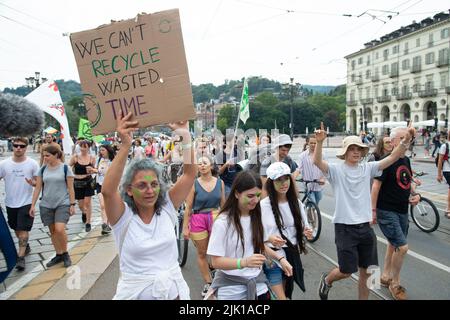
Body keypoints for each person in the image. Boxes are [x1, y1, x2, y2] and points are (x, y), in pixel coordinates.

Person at [313, 121, 415, 300]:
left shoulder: (368, 168)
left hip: (365, 228)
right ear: (345, 152)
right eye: (352, 148)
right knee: (346, 270)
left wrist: (406, 140)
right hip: (345, 228)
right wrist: (320, 142)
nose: (356, 152)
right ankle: (327, 280)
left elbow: (393, 157)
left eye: (359, 149)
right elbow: (317, 161)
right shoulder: (336, 170)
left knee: (370, 272)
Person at [101, 112, 196, 300]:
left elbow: (189, 174)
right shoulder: (122, 218)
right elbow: (107, 191)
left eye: (154, 184)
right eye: (141, 186)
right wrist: (125, 145)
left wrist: (185, 135)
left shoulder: (168, 207)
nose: (150, 191)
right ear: (129, 190)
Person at [206, 170, 292, 300]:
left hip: (258, 285)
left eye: (258, 195)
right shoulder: (223, 222)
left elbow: (259, 246)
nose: (256, 200)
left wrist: (280, 259)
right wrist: (244, 262)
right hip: (230, 291)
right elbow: (215, 261)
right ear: (236, 194)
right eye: (250, 196)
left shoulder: (256, 216)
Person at [370, 127, 421, 300]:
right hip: (387, 210)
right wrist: (373, 211)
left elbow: (407, 180)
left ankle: (385, 275)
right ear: (392, 142)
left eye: (408, 139)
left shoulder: (406, 160)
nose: (406, 141)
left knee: (393, 244)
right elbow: (375, 186)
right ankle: (395, 282)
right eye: (402, 138)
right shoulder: (385, 161)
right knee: (403, 247)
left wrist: (416, 195)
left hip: (402, 210)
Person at [261, 162, 312, 300]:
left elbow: (304, 227)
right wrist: (269, 238)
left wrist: (306, 232)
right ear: (271, 183)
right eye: (279, 180)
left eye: (286, 178)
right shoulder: (263, 206)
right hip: (271, 256)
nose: (284, 183)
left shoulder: (296, 203)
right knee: (282, 297)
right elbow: (255, 235)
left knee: (286, 293)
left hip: (291, 254)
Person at [183, 155, 225, 297]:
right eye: (199, 163)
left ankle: (219, 276)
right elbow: (188, 207)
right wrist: (185, 227)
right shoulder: (194, 184)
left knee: (216, 251)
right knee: (202, 252)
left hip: (216, 216)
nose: (202, 165)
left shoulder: (220, 182)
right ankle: (208, 283)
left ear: (211, 166)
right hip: (198, 218)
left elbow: (223, 205)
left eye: (205, 163)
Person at [30, 144, 75, 268]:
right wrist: (32, 205)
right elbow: (38, 188)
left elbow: (71, 188)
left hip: (63, 203)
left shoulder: (65, 168)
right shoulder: (42, 169)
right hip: (46, 204)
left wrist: (72, 204)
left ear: (56, 155)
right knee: (53, 231)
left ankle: (65, 253)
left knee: (60, 229)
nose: (45, 158)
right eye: (44, 156)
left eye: (47, 156)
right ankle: (58, 254)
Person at [0, 137, 39, 271]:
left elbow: (39, 183)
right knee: (16, 229)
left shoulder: (32, 164)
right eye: (16, 145)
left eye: (21, 146)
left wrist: (33, 184)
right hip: (10, 203)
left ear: (26, 147)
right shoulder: (4, 164)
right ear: (12, 145)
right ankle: (25, 246)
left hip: (26, 203)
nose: (18, 148)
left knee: (23, 232)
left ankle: (20, 258)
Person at [69, 140, 96, 232]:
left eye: (85, 146)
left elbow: (95, 169)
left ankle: (88, 222)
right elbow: (68, 167)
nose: (83, 148)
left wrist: (92, 169)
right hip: (77, 182)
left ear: (89, 147)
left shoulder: (92, 158)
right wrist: (71, 171)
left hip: (88, 181)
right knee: (81, 205)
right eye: (81, 146)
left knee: (87, 203)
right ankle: (84, 212)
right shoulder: (75, 157)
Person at [297, 135, 325, 205]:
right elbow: (298, 169)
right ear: (307, 143)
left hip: (318, 185)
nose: (313, 145)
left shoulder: (322, 155)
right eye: (311, 143)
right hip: (308, 185)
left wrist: (322, 178)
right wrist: (293, 177)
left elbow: (325, 169)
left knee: (316, 204)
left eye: (315, 143)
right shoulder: (302, 156)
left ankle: (310, 212)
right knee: (313, 203)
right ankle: (312, 213)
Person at [95, 144, 115, 235]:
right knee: (102, 205)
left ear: (108, 150)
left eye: (103, 150)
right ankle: (104, 224)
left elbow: (111, 173)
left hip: (110, 186)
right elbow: (96, 170)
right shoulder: (99, 159)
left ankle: (108, 224)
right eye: (100, 150)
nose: (101, 152)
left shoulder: (114, 161)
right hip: (99, 184)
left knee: (109, 206)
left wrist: (96, 171)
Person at [437, 131, 450, 219]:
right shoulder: (445, 146)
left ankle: (448, 208)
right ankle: (448, 209)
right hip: (447, 170)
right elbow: (440, 160)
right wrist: (439, 174)